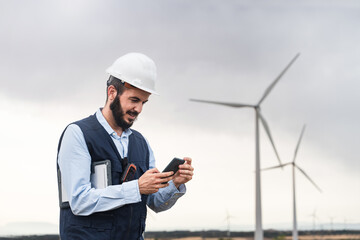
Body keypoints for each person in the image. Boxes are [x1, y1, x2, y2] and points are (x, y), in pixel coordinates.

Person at [56, 52, 194, 240]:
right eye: (134, 100)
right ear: (112, 93)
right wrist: (136, 187)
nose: (139, 109)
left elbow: (154, 202)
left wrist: (174, 184)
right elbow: (79, 201)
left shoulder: (141, 143)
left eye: (144, 102)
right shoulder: (78, 134)